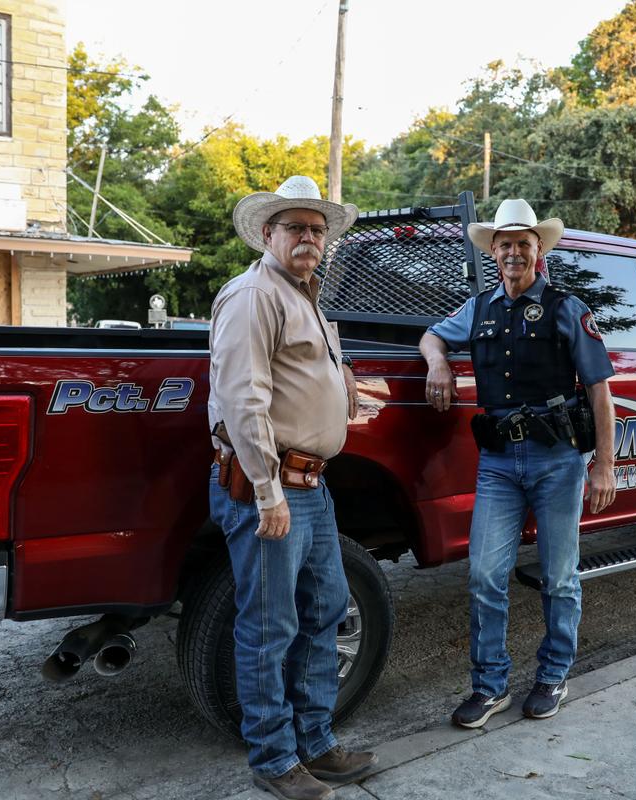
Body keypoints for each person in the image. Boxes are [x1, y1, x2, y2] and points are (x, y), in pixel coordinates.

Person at [420, 198, 617, 728]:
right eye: (503, 245)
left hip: (558, 461)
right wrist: (438, 361)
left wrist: (604, 464)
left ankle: (553, 675)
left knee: (558, 577)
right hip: (500, 464)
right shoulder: (479, 308)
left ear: (537, 250)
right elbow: (431, 335)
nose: (512, 253)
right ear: (493, 252)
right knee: (485, 574)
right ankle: (490, 688)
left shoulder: (566, 307)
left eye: (522, 244)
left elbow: (599, 390)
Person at [209, 175, 375, 800]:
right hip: (271, 485)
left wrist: (341, 384)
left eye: (316, 229)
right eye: (295, 227)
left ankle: (316, 743)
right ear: (268, 234)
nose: (308, 237)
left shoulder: (304, 295)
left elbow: (297, 372)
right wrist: (266, 489)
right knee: (269, 626)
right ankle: (275, 759)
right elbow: (242, 398)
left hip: (312, 484)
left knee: (325, 609)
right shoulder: (254, 295)